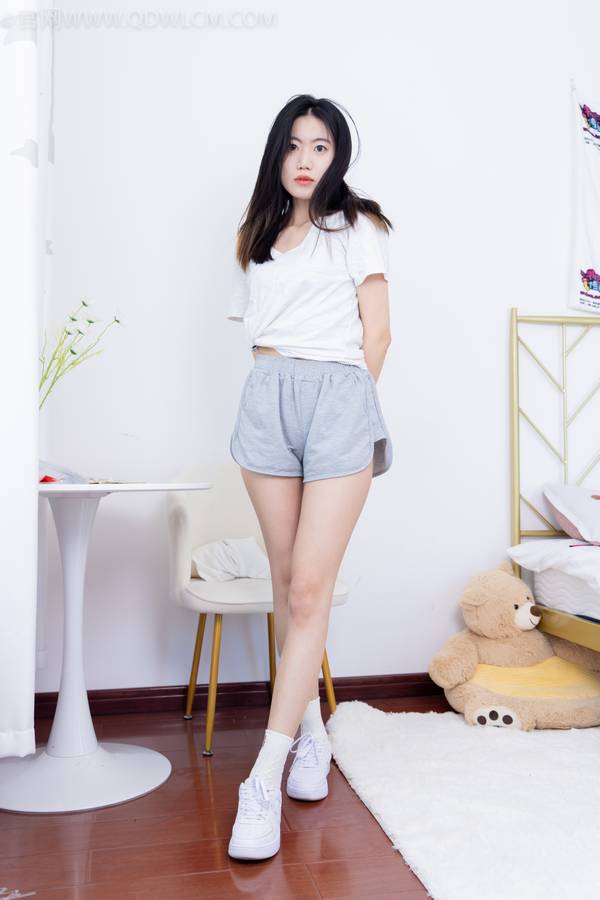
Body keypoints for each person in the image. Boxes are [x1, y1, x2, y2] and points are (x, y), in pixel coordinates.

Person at [225, 93, 393, 861]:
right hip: (267, 396)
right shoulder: (256, 235)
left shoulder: (356, 226)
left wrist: (348, 408)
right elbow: (258, 332)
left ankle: (262, 777)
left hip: (339, 399)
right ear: (277, 152)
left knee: (308, 592)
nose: (305, 159)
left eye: (320, 146)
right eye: (294, 145)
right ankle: (312, 735)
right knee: (286, 581)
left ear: (337, 156)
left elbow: (378, 333)